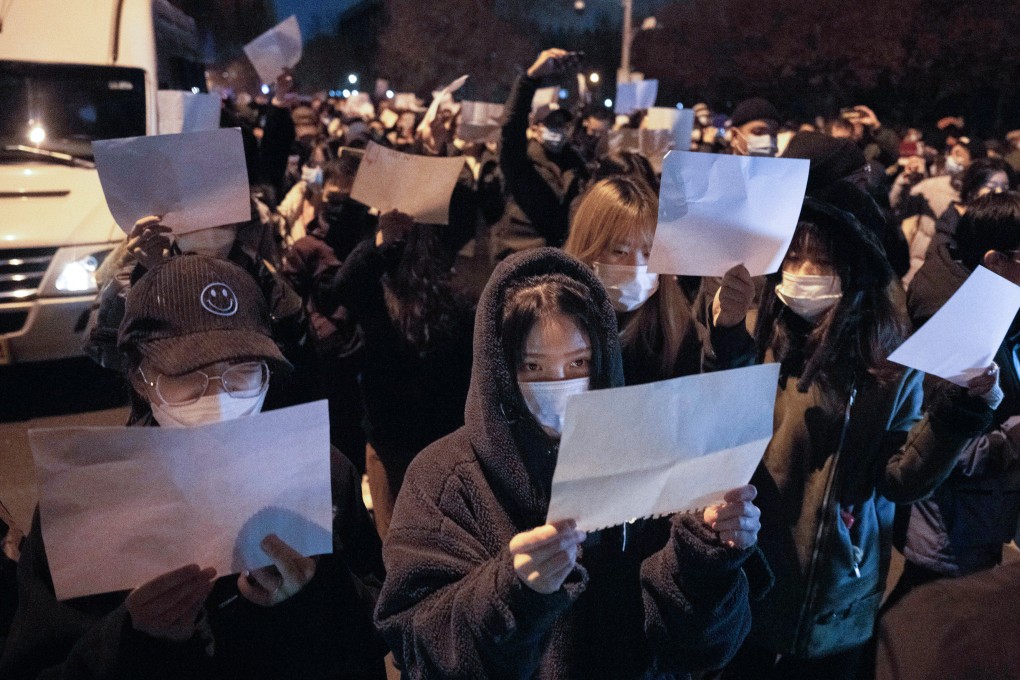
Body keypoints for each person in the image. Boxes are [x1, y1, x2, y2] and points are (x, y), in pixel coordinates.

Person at [374, 247, 768, 679]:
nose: (560, 384)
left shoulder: (649, 453)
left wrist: (706, 554)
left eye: (578, 363)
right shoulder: (444, 477)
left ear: (602, 361)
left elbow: (703, 648)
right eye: (534, 367)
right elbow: (417, 644)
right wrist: (511, 592)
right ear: (500, 371)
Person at [0, 255, 387, 679]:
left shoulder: (323, 472)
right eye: (187, 373)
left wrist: (317, 593)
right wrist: (133, 637)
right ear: (139, 378)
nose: (219, 397)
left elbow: (376, 624)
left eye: (242, 372)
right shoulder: (83, 503)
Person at [722, 199, 998, 679]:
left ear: (854, 269)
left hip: (835, 594)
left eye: (823, 262)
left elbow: (902, 479)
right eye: (794, 258)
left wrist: (963, 408)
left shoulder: (889, 362)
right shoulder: (755, 333)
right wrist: (724, 335)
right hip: (749, 580)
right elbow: (714, 430)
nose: (805, 273)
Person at [887, 192, 1020, 605]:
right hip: (948, 529)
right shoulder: (956, 325)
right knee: (927, 626)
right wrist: (1010, 440)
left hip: (982, 517)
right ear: (995, 261)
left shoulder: (1002, 313)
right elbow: (930, 442)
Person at [316, 210, 474, 539]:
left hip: (399, 439)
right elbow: (340, 289)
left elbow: (340, 288)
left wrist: (378, 241)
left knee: (398, 542)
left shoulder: (378, 292)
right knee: (438, 537)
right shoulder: (455, 297)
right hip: (427, 440)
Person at [563, 176, 756, 385]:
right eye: (619, 251)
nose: (637, 267)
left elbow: (717, 392)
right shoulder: (556, 322)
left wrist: (729, 333)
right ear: (588, 250)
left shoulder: (676, 329)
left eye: (648, 253)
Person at [493, 49, 587, 260]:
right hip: (521, 257)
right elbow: (511, 126)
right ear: (534, 128)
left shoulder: (575, 165)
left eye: (562, 124)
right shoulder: (519, 161)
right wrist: (530, 79)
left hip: (560, 261)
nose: (558, 129)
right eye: (551, 123)